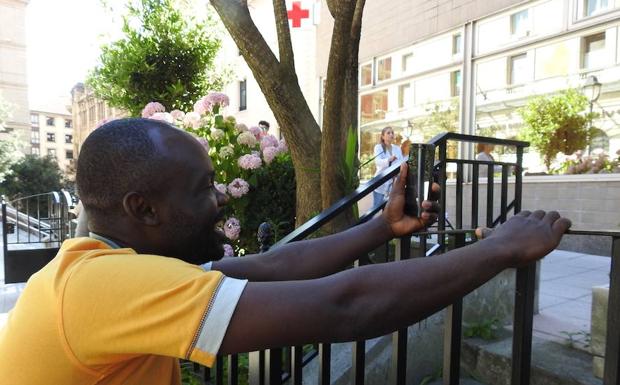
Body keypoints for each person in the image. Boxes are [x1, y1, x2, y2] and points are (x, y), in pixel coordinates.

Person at [0, 118, 571, 385]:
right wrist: (500, 247)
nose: (220, 200)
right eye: (202, 189)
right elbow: (346, 307)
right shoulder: (98, 286)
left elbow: (269, 266)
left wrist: (378, 229)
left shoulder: (105, 268)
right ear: (143, 208)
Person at [373, 126, 405, 208]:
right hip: (380, 183)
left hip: (393, 183)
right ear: (383, 136)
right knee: (375, 208)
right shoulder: (378, 147)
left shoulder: (397, 149)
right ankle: (367, 221)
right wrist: (388, 160)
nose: (391, 134)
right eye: (388, 133)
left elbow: (401, 163)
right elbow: (378, 162)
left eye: (392, 133)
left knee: (389, 209)